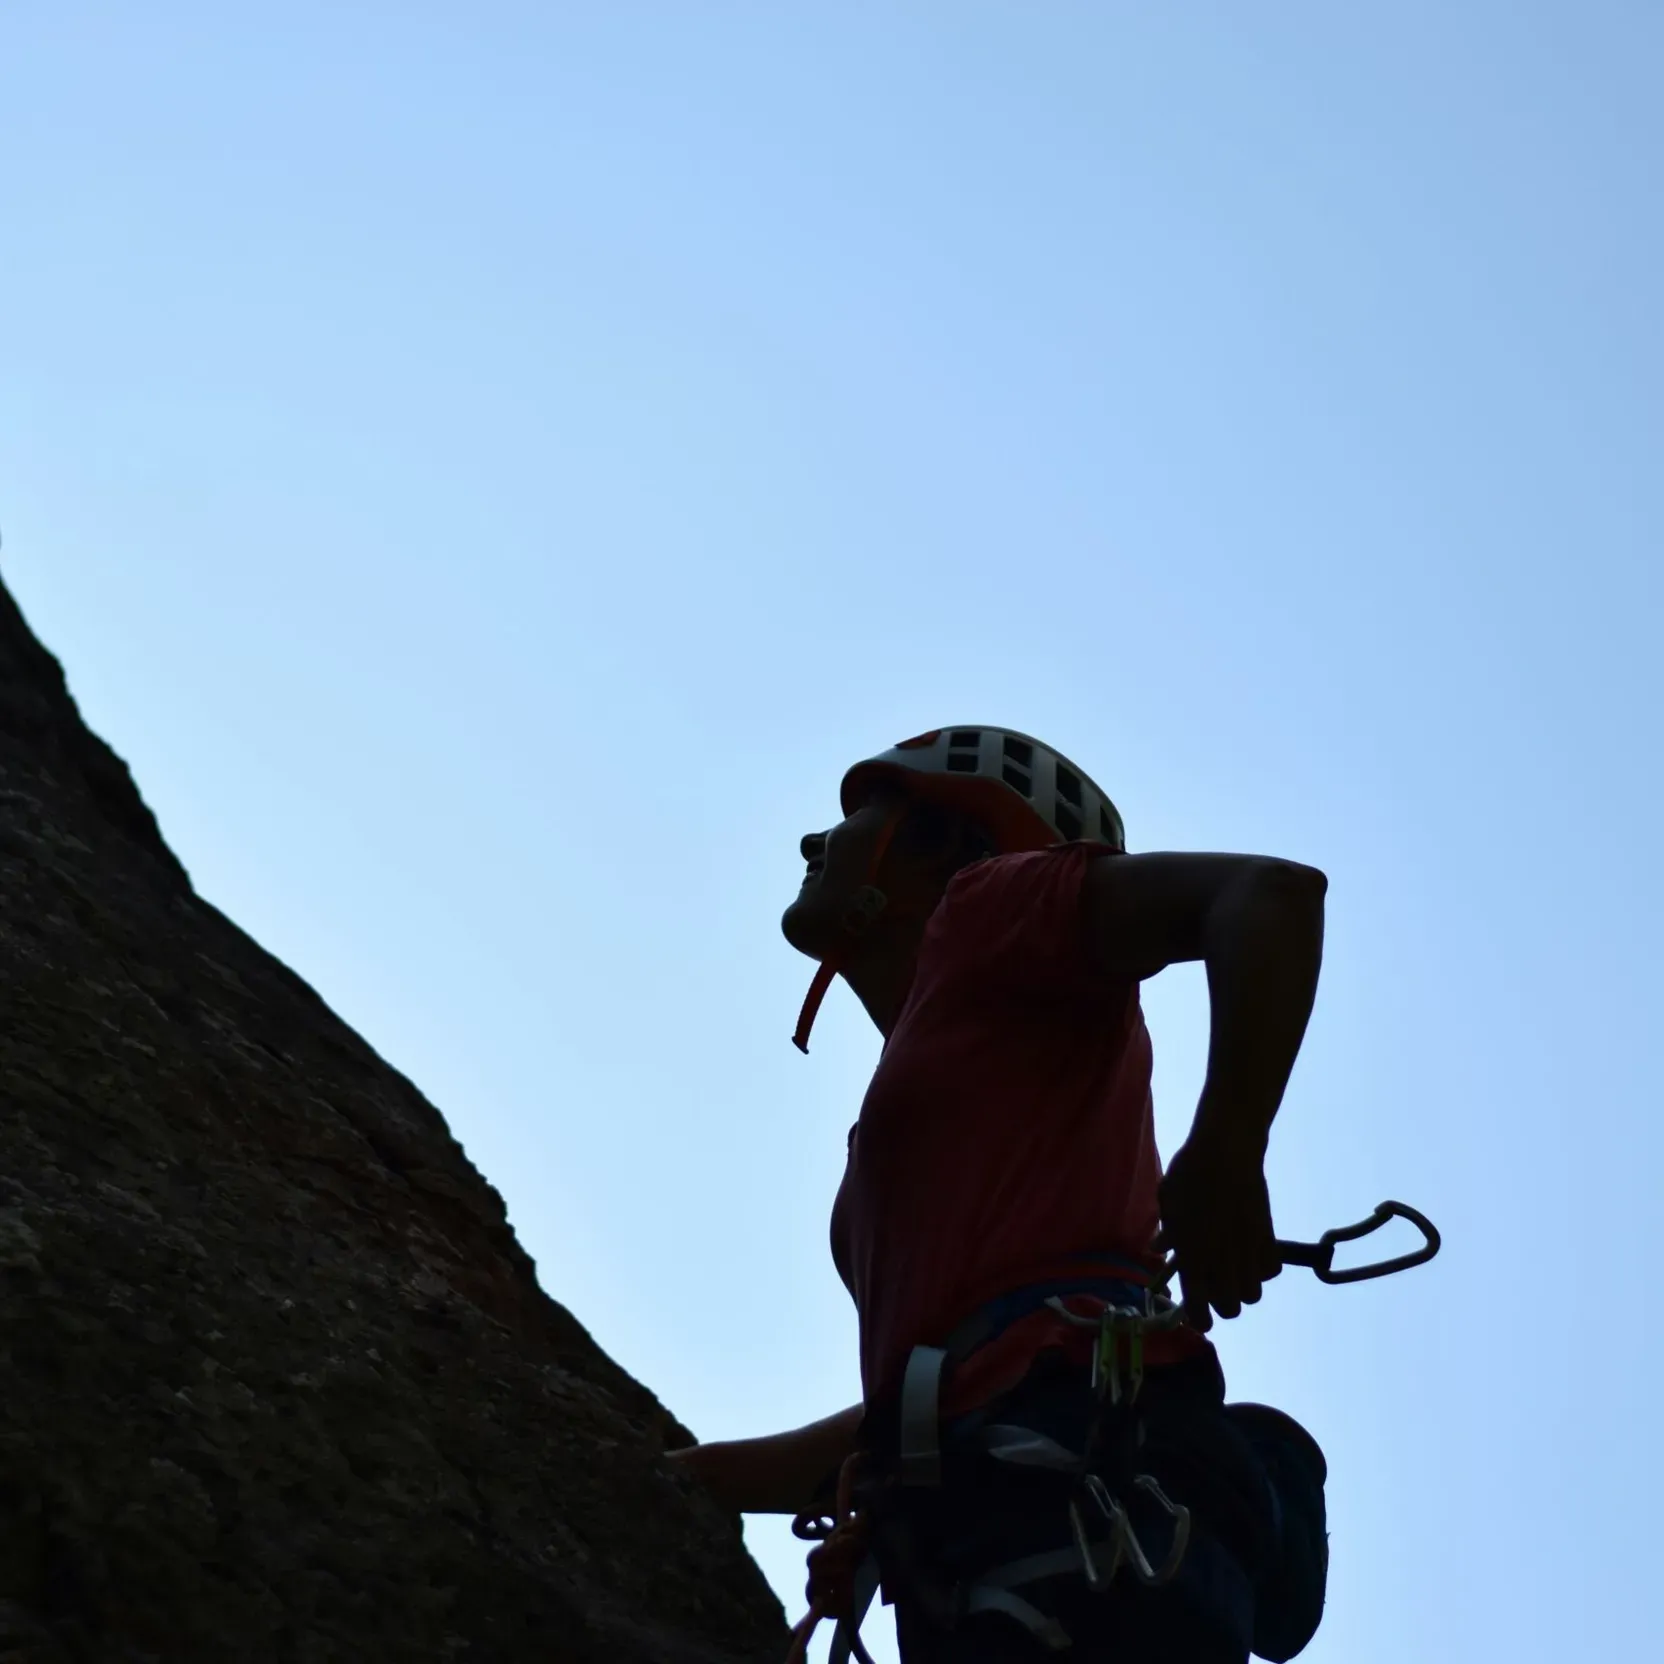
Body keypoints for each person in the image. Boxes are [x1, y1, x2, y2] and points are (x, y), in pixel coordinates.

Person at [669, 728, 1332, 1662]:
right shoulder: (914, 1120)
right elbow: (922, 1409)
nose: (817, 845)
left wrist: (1226, 1151)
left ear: (943, 843)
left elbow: (1270, 894)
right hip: (997, 1522)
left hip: (1055, 1519)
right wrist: (672, 1474)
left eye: (855, 818)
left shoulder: (991, 907)